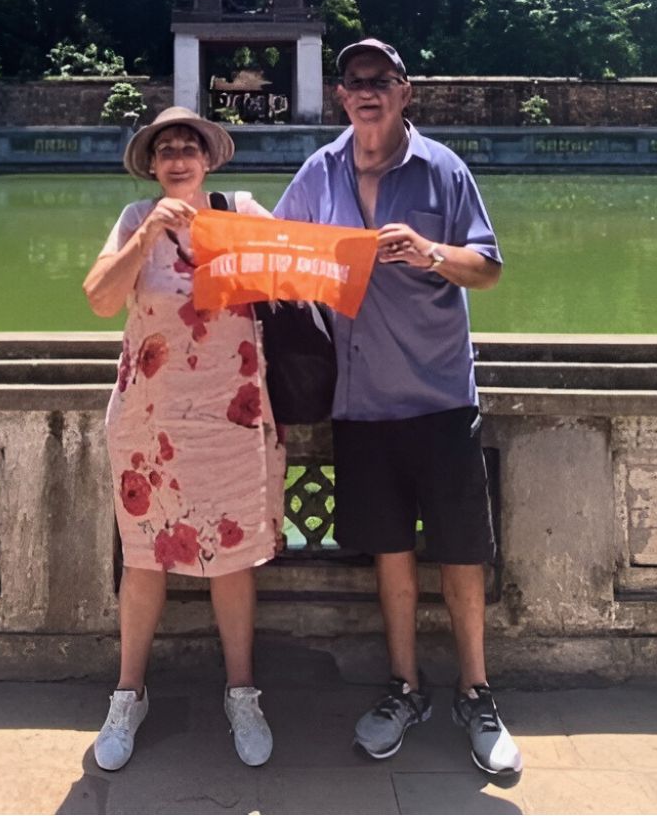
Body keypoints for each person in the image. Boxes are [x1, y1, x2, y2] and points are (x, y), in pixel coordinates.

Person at [272, 39, 522, 776]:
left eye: (380, 80)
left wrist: (431, 251)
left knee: (462, 552)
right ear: (340, 96)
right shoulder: (321, 170)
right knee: (390, 553)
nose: (366, 92)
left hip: (441, 393)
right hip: (360, 399)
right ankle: (405, 688)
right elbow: (282, 247)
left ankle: (476, 692)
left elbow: (490, 267)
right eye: (354, 82)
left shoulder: (443, 169)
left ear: (405, 92)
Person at [81, 105, 285, 772]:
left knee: (232, 560)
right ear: (152, 164)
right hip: (152, 421)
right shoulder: (134, 220)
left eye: (187, 147)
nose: (176, 158)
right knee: (143, 560)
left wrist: (231, 250)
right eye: (164, 149)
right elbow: (99, 300)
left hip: (230, 414)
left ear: (208, 160)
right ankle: (127, 693)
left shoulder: (242, 209)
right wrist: (147, 240)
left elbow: (288, 278)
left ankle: (242, 693)